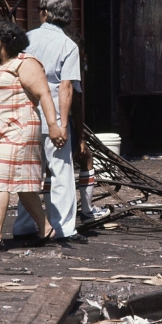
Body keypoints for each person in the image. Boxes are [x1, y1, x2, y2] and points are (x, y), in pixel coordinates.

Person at [0, 20, 65, 251]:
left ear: (1, 43)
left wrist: (54, 126)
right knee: (24, 185)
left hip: (19, 130)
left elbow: (44, 95)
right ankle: (45, 228)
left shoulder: (25, 64)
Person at [12, 0, 86, 244]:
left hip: (25, 116)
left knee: (29, 174)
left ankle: (24, 225)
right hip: (52, 116)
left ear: (43, 13)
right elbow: (66, 88)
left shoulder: (26, 40)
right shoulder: (68, 46)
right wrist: (63, 125)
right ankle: (63, 228)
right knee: (60, 172)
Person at [63, 28, 111, 223]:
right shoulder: (70, 67)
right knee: (86, 159)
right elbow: (75, 103)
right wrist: (80, 136)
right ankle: (87, 211)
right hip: (62, 123)